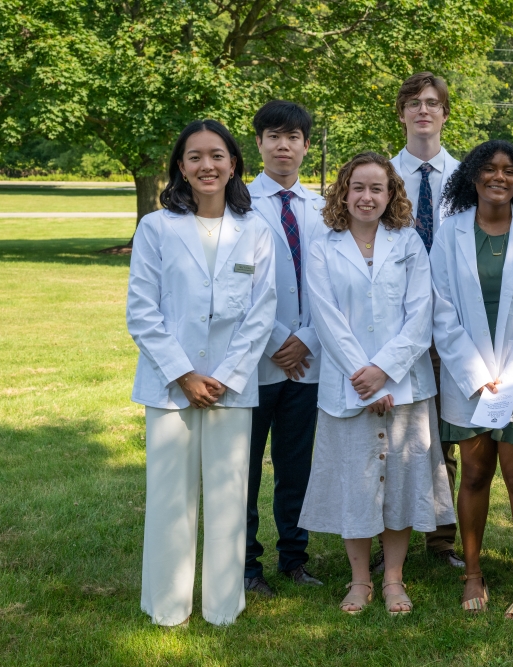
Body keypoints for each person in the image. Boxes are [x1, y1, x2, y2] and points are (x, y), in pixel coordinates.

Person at [127, 120, 277, 627]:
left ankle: (222, 606)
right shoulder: (156, 227)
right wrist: (186, 374)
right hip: (171, 387)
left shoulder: (255, 230)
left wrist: (226, 375)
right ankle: (167, 607)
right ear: (181, 167)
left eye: (217, 155)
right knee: (171, 495)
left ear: (234, 163)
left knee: (231, 495)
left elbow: (262, 312)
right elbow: (142, 313)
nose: (207, 165)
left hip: (231, 388)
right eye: (194, 157)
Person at [298, 152, 455, 615]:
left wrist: (384, 370)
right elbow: (326, 318)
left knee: (402, 484)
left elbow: (419, 314)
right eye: (358, 187)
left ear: (392, 195)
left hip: (405, 384)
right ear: (343, 192)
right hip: (348, 385)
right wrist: (364, 378)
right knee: (357, 482)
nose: (367, 197)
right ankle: (360, 581)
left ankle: (393, 580)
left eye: (377, 189)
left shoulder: (407, 242)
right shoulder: (324, 245)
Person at [431, 140, 513, 621]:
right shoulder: (449, 234)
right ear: (472, 176)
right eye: (489, 169)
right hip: (469, 384)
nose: (499, 177)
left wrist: (512, 379)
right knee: (475, 477)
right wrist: (477, 376)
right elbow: (440, 310)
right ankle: (472, 573)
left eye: (509, 170)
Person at [242, 100, 327, 596]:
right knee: (247, 468)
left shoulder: (322, 208)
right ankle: (248, 565)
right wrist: (278, 341)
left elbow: (330, 284)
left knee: (296, 466)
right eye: (273, 136)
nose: (283, 146)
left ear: (305, 146)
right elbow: (241, 290)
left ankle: (294, 556)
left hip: (309, 360)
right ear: (258, 143)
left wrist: (307, 338)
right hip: (257, 360)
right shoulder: (239, 205)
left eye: (293, 137)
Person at [383, 72, 463, 570]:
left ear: (445, 113)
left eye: (432, 102)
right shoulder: (380, 177)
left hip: (455, 325)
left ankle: (443, 540)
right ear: (401, 113)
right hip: (395, 327)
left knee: (448, 436)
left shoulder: (467, 177)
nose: (423, 111)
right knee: (391, 436)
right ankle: (384, 538)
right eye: (413, 103)